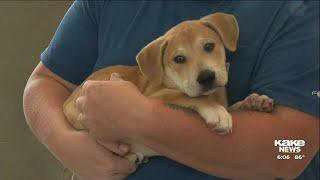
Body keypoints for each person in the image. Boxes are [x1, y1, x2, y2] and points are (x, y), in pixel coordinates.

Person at [23, 1, 319, 179]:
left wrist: (145, 120)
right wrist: (66, 142)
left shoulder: (300, 12)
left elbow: (293, 152)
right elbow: (45, 83)